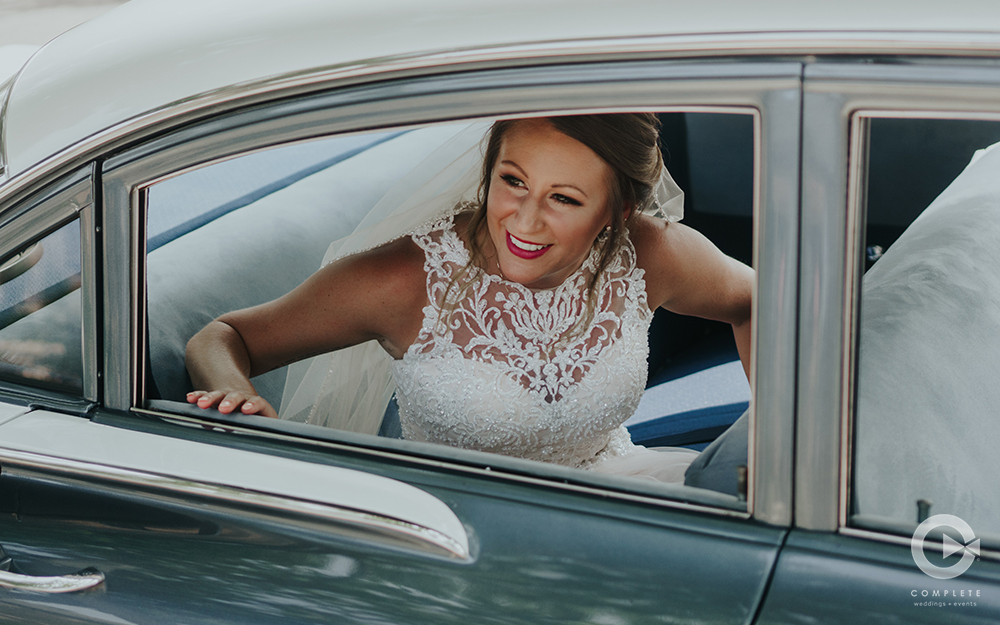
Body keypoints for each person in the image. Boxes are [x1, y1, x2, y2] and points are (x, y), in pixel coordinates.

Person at [185, 114, 753, 483]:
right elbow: (222, 338)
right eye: (513, 182)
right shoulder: (404, 279)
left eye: (564, 198)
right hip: (464, 529)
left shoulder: (651, 254)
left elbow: (757, 303)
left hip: (621, 497)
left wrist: (775, 440)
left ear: (619, 210)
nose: (525, 221)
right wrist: (234, 396)